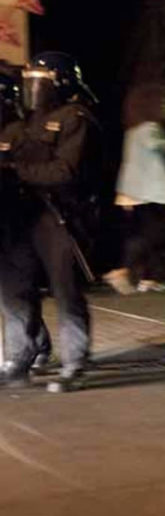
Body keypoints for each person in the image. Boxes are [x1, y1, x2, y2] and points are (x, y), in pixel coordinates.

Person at [0, 52, 102, 393]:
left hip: (58, 216)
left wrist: (15, 171)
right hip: (19, 217)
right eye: (27, 79)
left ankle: (75, 360)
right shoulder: (17, 126)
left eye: (39, 80)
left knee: (65, 288)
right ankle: (21, 355)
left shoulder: (74, 119)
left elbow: (65, 171)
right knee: (13, 288)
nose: (31, 86)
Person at [102, 84, 165, 294]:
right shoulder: (150, 128)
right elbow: (156, 146)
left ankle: (142, 276)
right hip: (148, 193)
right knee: (155, 235)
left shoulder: (133, 129)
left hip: (133, 192)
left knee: (141, 235)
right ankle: (129, 273)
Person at [0, 67, 52, 374]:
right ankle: (39, 344)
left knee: (13, 289)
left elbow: (32, 173)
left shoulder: (19, 133)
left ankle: (19, 355)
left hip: (16, 219)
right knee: (11, 290)